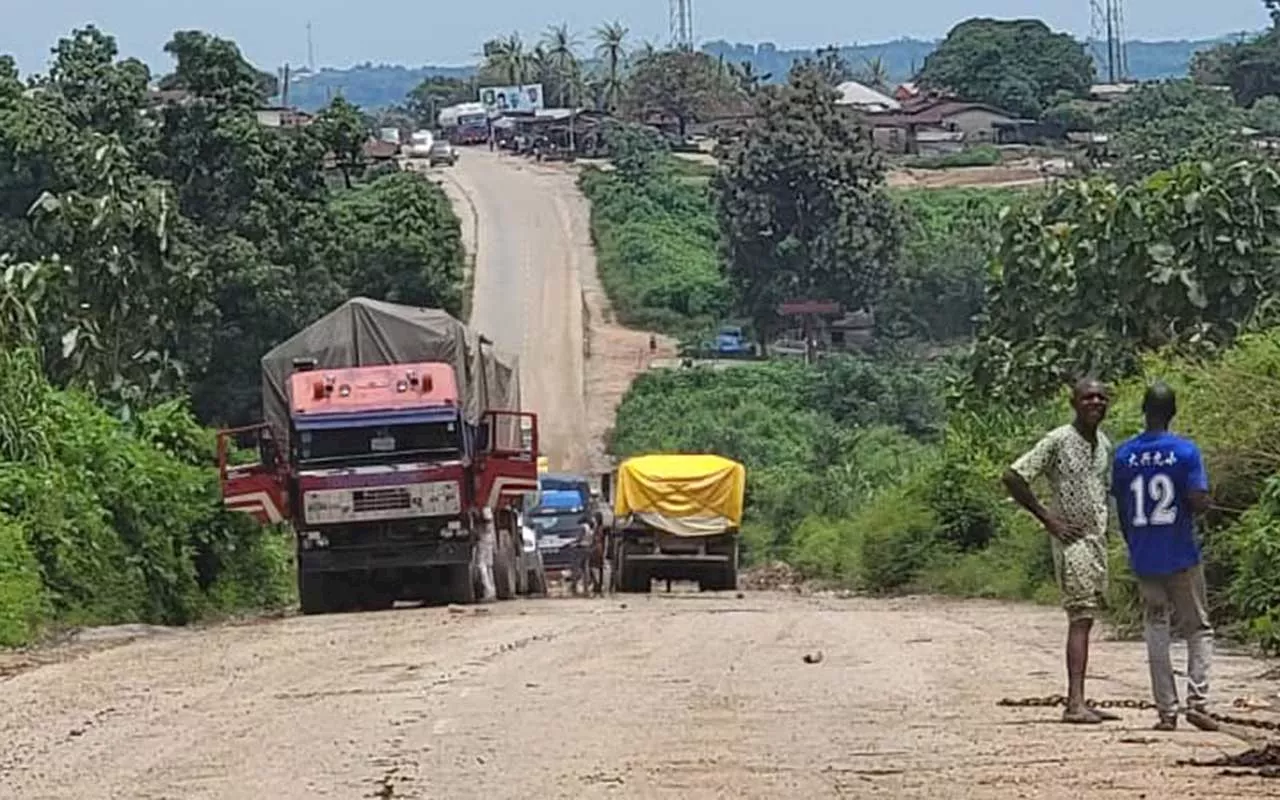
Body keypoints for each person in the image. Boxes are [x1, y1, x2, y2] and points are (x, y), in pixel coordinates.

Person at [1003, 377, 1117, 724]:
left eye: (1100, 397)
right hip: (1072, 542)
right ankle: (1075, 703)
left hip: (1095, 541)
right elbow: (1013, 475)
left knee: (1087, 617)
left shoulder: (1104, 443)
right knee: (1080, 618)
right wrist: (1047, 518)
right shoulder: (1057, 440)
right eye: (1087, 397)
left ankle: (1079, 699)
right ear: (1074, 402)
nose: (1095, 402)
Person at [1111, 381, 1215, 731]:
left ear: (1144, 410)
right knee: (1197, 627)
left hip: (1144, 556)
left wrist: (1133, 542)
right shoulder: (1186, 452)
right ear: (1173, 412)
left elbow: (1122, 508)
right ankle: (1197, 702)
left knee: (1156, 627)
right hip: (1181, 553)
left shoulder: (1124, 455)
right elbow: (1198, 499)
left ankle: (1166, 711)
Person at [477, 507, 497, 602]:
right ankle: (491, 591)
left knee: (482, 565)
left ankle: (489, 591)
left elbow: (487, 525)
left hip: (484, 539)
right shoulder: (487, 509)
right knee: (488, 566)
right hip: (488, 539)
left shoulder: (485, 509)